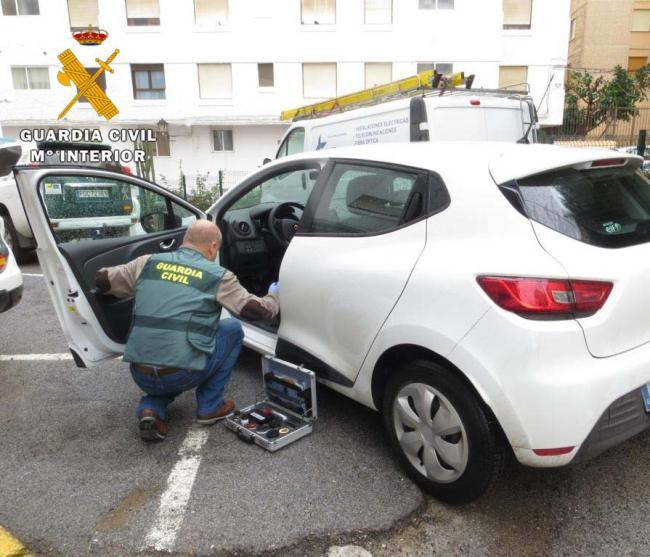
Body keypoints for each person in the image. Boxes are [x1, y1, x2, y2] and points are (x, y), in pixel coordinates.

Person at [95, 220, 279, 442]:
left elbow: (102, 280)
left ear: (185, 241)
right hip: (180, 374)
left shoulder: (146, 263)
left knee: (164, 360)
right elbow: (256, 311)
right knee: (232, 329)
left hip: (139, 373)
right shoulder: (217, 275)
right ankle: (210, 406)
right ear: (212, 247)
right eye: (217, 249)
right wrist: (275, 296)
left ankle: (151, 409)